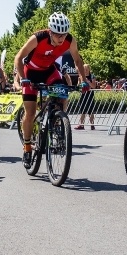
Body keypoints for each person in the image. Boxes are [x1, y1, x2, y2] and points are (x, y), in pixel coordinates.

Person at [13, 12, 87, 167]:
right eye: (58, 35)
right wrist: (23, 79)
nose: (61, 39)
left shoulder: (70, 40)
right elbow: (18, 57)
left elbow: (78, 60)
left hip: (49, 71)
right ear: (50, 32)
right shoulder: (38, 38)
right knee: (31, 112)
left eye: (64, 34)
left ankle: (57, 122)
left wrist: (83, 80)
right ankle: (27, 147)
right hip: (31, 72)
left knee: (62, 93)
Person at [74, 63, 98, 130]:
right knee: (82, 110)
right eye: (84, 69)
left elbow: (94, 86)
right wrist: (79, 82)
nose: (85, 71)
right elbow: (78, 87)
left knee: (91, 110)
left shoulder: (92, 76)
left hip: (90, 94)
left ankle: (92, 125)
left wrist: (88, 82)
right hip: (83, 94)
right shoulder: (81, 76)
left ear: (89, 69)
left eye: (86, 69)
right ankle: (81, 125)